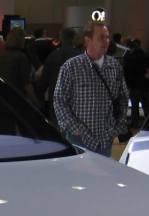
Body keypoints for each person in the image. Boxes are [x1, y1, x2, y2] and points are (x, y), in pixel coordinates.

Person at [54, 20, 129, 157]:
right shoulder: (71, 67)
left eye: (107, 37)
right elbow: (59, 100)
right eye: (101, 37)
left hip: (105, 139)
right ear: (88, 40)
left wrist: (117, 127)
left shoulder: (114, 66)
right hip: (80, 138)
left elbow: (123, 97)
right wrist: (74, 128)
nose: (106, 41)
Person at [39, 27, 82, 123]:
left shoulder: (53, 56)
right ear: (74, 38)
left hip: (56, 101)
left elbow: (44, 81)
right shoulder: (82, 56)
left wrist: (40, 100)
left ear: (61, 38)